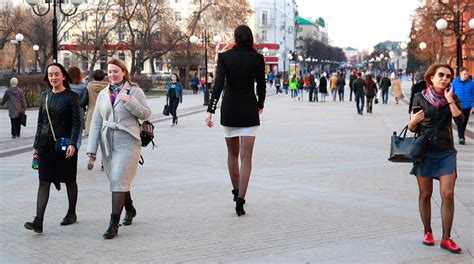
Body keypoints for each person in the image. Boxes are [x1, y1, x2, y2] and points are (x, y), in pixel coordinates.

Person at [87, 58, 151, 239]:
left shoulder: (135, 91)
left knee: (117, 179)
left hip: (128, 141)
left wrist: (129, 101)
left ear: (123, 71)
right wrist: (92, 149)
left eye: (116, 71)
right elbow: (96, 122)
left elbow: (146, 113)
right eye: (110, 72)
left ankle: (113, 225)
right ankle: (130, 208)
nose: (112, 75)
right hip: (108, 142)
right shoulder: (103, 94)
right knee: (119, 180)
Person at [205, 25, 265, 217]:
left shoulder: (225, 57)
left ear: (235, 37)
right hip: (249, 109)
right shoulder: (257, 57)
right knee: (246, 158)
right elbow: (261, 85)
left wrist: (210, 110)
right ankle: (241, 201)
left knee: (232, 154)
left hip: (229, 109)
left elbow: (219, 84)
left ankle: (235, 191)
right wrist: (260, 103)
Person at [408, 64, 464, 253]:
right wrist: (411, 123)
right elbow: (412, 127)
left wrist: (450, 101)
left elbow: (460, 121)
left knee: (447, 194)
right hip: (425, 151)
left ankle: (446, 238)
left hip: (446, 152)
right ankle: (428, 231)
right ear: (431, 77)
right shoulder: (419, 98)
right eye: (441, 75)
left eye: (449, 76)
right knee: (425, 194)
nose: (445, 79)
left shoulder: (453, 97)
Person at [24, 63, 81, 234]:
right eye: (50, 75)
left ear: (63, 76)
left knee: (69, 180)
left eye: (56, 74)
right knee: (44, 181)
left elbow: (77, 122)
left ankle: (71, 213)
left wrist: (73, 143)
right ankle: (38, 221)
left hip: (64, 145)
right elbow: (41, 122)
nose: (53, 78)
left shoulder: (72, 96)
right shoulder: (45, 96)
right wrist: (36, 146)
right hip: (45, 145)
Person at [451, 67, 473, 145]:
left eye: (467, 74)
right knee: (460, 122)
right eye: (464, 74)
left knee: (464, 122)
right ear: (460, 73)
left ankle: (461, 136)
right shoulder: (454, 82)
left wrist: (473, 106)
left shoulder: (471, 83)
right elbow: (451, 93)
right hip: (457, 106)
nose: (466, 75)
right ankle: (461, 137)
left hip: (467, 106)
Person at [84, 69, 108, 136]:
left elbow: (83, 102)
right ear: (103, 77)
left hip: (91, 114)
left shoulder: (88, 87)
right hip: (105, 115)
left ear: (93, 77)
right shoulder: (109, 88)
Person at [68, 67, 86, 150]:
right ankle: (75, 151)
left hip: (65, 112)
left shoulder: (65, 86)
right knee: (78, 137)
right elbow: (84, 102)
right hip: (79, 113)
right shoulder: (83, 87)